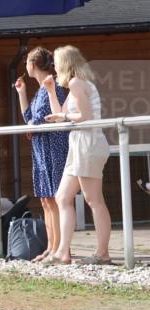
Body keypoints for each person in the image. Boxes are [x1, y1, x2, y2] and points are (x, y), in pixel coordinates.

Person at [42, 46, 112, 265]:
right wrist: (51, 90)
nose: (53, 66)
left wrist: (64, 118)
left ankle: (102, 254)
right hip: (79, 145)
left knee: (94, 200)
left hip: (88, 144)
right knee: (63, 197)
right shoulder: (73, 87)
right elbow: (61, 115)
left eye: (55, 62)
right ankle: (63, 252)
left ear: (65, 63)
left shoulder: (77, 83)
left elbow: (84, 116)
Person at [13, 47, 69, 263]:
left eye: (27, 61)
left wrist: (31, 126)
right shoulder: (38, 91)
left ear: (33, 65)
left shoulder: (51, 86)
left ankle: (59, 248)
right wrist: (22, 93)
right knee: (46, 200)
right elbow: (30, 117)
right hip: (40, 149)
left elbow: (43, 120)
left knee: (55, 199)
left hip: (53, 148)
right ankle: (50, 246)